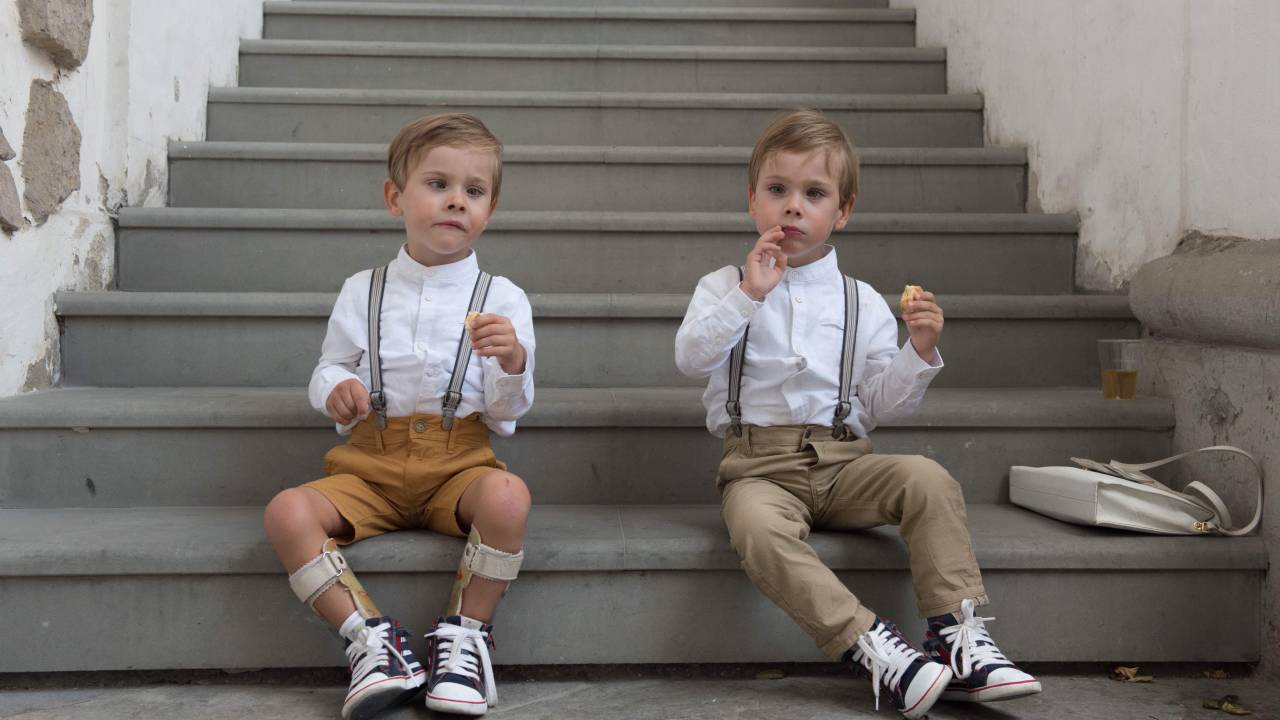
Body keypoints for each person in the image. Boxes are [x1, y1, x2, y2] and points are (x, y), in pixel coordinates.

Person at [673, 109, 1041, 718]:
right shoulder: (724, 286)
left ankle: (957, 638)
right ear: (752, 200)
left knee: (927, 478)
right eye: (777, 189)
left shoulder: (861, 301)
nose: (793, 207)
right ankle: (874, 647)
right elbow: (691, 359)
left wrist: (917, 351)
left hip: (843, 463)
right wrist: (750, 294)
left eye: (814, 194)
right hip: (758, 469)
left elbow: (877, 405)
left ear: (842, 211)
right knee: (757, 530)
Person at [263, 113, 535, 719]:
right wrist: (337, 389)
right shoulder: (363, 289)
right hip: (369, 468)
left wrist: (512, 360)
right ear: (395, 198)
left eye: (474, 191)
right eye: (438, 184)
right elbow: (329, 366)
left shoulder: (503, 299)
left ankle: (465, 638)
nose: (456, 201)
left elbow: (506, 412)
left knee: (509, 497)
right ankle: (370, 640)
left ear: (489, 210)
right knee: (286, 511)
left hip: (457, 467)